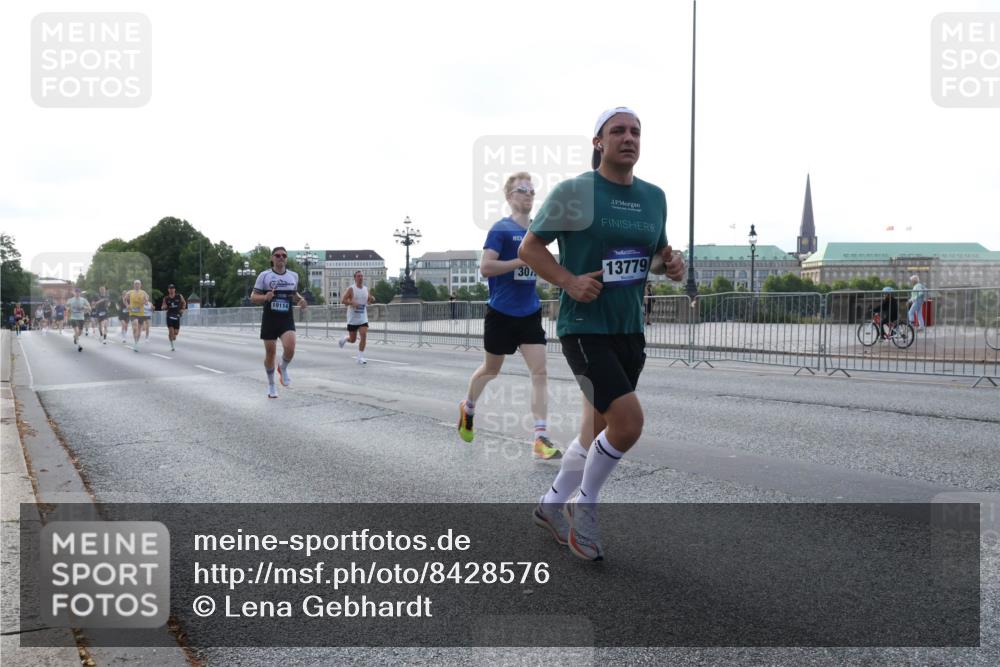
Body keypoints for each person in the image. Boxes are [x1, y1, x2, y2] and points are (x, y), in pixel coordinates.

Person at [519, 107, 686, 560]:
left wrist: (672, 265)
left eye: (635, 131)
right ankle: (583, 507)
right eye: (618, 131)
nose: (628, 138)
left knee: (594, 430)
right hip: (584, 327)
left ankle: (550, 505)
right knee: (628, 423)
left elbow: (655, 257)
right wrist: (569, 281)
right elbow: (530, 247)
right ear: (599, 141)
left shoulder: (655, 197)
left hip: (629, 327)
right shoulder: (575, 192)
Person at [457, 172, 562, 461]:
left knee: (539, 372)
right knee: (491, 370)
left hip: (529, 312)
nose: (527, 194)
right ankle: (468, 407)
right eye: (521, 190)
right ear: (509, 197)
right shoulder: (500, 230)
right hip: (501, 313)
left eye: (531, 190)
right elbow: (486, 268)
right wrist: (522, 259)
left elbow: (542, 269)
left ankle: (540, 437)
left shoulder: (538, 232)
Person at [250, 247, 308, 398]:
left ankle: (282, 368)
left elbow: (294, 294)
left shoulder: (293, 276)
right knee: (271, 352)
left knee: (290, 347)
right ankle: (271, 385)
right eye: (277, 255)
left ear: (286, 258)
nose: (281, 257)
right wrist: (264, 297)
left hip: (286, 318)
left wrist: (300, 300)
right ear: (272, 258)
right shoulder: (265, 276)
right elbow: (253, 297)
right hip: (270, 318)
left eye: (284, 255)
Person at [338, 271, 376, 364]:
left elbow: (369, 300)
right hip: (353, 318)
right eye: (358, 276)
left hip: (363, 317)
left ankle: (360, 357)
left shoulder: (366, 289)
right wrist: (352, 302)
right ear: (355, 278)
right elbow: (343, 300)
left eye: (362, 276)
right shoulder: (351, 289)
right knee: (353, 339)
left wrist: (372, 299)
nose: (360, 278)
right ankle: (345, 339)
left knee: (363, 335)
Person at [125, 280, 151, 351]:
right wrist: (127, 305)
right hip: (133, 313)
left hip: (141, 313)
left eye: (138, 284)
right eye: (135, 284)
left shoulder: (143, 292)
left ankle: (136, 343)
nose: (137, 285)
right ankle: (135, 343)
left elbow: (147, 299)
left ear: (140, 285)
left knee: (139, 331)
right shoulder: (130, 292)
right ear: (133, 285)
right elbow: (125, 299)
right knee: (135, 327)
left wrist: (145, 302)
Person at [161, 284, 187, 351]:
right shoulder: (166, 298)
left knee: (176, 333)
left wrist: (183, 309)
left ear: (174, 289)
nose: (171, 290)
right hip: (169, 316)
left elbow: (184, 303)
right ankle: (172, 345)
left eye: (172, 288)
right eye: (170, 288)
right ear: (168, 290)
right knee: (171, 331)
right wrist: (164, 307)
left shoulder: (179, 296)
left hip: (177, 316)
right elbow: (163, 305)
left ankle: (172, 336)